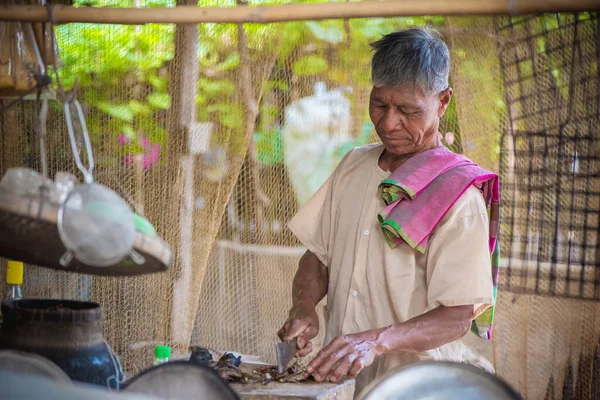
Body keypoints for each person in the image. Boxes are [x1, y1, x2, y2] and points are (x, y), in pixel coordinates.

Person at [278, 27, 499, 395]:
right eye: (380, 104)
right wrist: (304, 308)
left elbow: (456, 317)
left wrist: (375, 341)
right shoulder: (353, 165)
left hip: (416, 389)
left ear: (443, 102)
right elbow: (317, 259)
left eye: (408, 110)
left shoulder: (459, 196)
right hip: (341, 385)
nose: (388, 122)